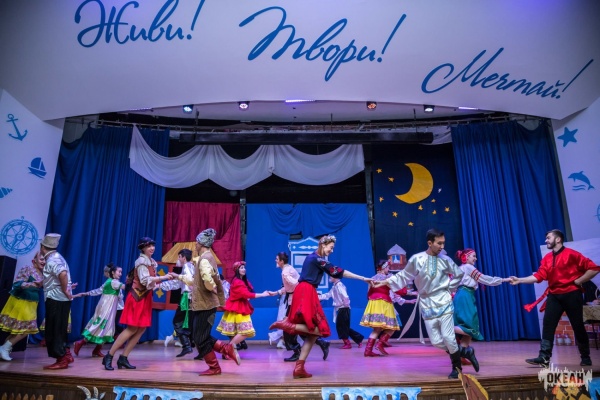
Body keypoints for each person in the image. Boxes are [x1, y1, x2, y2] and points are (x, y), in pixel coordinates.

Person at [372, 228, 477, 379]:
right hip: (427, 304)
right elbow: (403, 276)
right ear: (430, 243)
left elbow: (458, 274)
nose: (442, 246)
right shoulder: (417, 259)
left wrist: (449, 288)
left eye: (443, 243)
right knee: (436, 341)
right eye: (439, 243)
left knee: (448, 337)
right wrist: (382, 283)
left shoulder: (446, 260)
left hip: (444, 301)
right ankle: (465, 352)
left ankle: (457, 368)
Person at [269, 235, 372, 379]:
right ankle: (289, 326)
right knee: (319, 329)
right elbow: (338, 271)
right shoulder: (317, 259)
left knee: (313, 334)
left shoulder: (314, 258)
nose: (332, 250)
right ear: (323, 245)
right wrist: (363, 278)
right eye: (331, 247)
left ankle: (299, 367)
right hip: (306, 291)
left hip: (305, 291)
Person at [508, 229, 599, 367]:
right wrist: (519, 280)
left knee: (577, 325)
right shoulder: (547, 258)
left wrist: (579, 281)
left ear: (558, 239)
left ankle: (585, 357)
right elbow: (538, 276)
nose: (546, 240)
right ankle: (544, 357)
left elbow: (593, 268)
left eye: (548, 238)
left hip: (572, 294)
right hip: (554, 295)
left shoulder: (572, 254)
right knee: (548, 324)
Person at [102, 237, 174, 370]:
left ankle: (123, 357)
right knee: (132, 329)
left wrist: (167, 281)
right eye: (148, 246)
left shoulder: (151, 262)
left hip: (145, 297)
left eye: (152, 245)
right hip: (137, 298)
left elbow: (151, 284)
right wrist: (163, 277)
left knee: (141, 328)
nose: (152, 248)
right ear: (143, 248)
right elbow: (145, 280)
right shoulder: (141, 262)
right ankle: (109, 355)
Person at [177, 228, 239, 375]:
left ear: (201, 243)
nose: (195, 245)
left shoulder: (204, 259)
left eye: (197, 242)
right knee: (199, 336)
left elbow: (207, 278)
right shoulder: (205, 258)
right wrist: (178, 276)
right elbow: (196, 281)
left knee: (199, 338)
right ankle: (226, 349)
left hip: (206, 305)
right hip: (203, 305)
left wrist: (211, 287)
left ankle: (215, 366)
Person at [268, 251, 330, 363]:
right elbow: (289, 287)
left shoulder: (285, 272)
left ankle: (297, 351)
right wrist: (277, 292)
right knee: (299, 327)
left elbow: (296, 284)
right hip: (295, 300)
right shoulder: (289, 269)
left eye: (277, 259)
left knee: (289, 328)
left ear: (281, 261)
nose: (275, 261)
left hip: (295, 302)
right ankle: (320, 342)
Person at [453, 249, 508, 371]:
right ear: (466, 257)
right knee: (470, 327)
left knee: (471, 329)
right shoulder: (468, 267)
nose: (476, 258)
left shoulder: (461, 268)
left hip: (464, 295)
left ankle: (461, 355)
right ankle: (445, 329)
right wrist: (504, 280)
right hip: (465, 296)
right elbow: (484, 279)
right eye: (473, 256)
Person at [360, 260, 416, 357]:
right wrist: (411, 293)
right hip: (384, 302)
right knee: (392, 327)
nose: (388, 269)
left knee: (376, 329)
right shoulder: (388, 278)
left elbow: (369, 293)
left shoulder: (372, 278)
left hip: (373, 303)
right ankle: (380, 344)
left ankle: (368, 350)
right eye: (388, 267)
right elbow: (398, 290)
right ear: (384, 268)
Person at [216, 261, 271, 356]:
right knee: (245, 332)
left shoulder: (241, 281)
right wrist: (262, 294)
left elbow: (248, 292)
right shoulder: (237, 282)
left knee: (236, 332)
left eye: (244, 268)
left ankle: (228, 351)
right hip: (238, 309)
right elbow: (246, 294)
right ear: (237, 270)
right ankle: (227, 349)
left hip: (238, 307)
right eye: (241, 268)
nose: (244, 269)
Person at [72, 263, 125, 357]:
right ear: (113, 272)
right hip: (107, 309)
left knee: (106, 328)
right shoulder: (114, 282)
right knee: (101, 327)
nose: (120, 274)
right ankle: (80, 342)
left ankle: (96, 350)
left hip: (108, 308)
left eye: (121, 272)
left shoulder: (109, 281)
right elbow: (124, 289)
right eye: (119, 272)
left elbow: (98, 291)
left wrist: (86, 293)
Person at [0, 252, 45, 361]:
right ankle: (5, 348)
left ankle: (4, 349)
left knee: (20, 329)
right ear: (34, 261)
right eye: (41, 259)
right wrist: (32, 284)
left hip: (32, 303)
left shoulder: (43, 274)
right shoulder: (28, 269)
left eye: (45, 259)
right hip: (21, 301)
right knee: (27, 329)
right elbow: (17, 284)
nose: (44, 261)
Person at [40, 233, 75, 370]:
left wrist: (65, 289)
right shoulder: (57, 257)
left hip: (56, 299)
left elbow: (62, 273)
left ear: (43, 247)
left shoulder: (52, 259)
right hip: (59, 298)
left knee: (54, 329)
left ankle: (61, 359)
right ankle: (66, 354)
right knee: (59, 328)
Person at [161, 249, 196, 357]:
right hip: (190, 297)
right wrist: (161, 285)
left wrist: (176, 275)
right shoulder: (191, 266)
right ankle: (188, 345)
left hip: (186, 297)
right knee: (186, 322)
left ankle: (186, 345)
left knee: (178, 321)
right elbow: (178, 283)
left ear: (183, 258)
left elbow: (187, 280)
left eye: (179, 257)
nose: (178, 259)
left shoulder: (187, 267)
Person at [319, 275, 364, 349]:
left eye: (331, 276)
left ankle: (348, 343)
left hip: (344, 308)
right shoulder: (335, 286)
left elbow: (345, 296)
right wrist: (318, 297)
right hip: (341, 308)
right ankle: (358, 339)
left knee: (341, 327)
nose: (330, 278)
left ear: (335, 277)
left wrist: (345, 305)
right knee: (343, 327)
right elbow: (328, 295)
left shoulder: (340, 286)